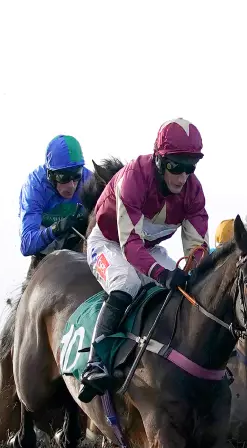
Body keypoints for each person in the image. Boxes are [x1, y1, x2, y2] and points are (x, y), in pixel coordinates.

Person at [79, 119, 210, 400]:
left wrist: (192, 270)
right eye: (175, 166)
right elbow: (130, 245)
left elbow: (198, 248)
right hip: (109, 242)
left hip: (146, 247)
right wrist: (162, 274)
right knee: (126, 283)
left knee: (185, 290)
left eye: (190, 168)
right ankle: (96, 362)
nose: (182, 177)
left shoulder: (194, 192)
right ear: (159, 160)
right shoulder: (134, 179)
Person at [19, 135, 94, 269]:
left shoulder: (88, 179)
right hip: (46, 247)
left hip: (77, 240)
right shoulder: (34, 187)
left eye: (77, 175)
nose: (72, 186)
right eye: (63, 177)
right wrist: (57, 228)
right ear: (50, 175)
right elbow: (26, 245)